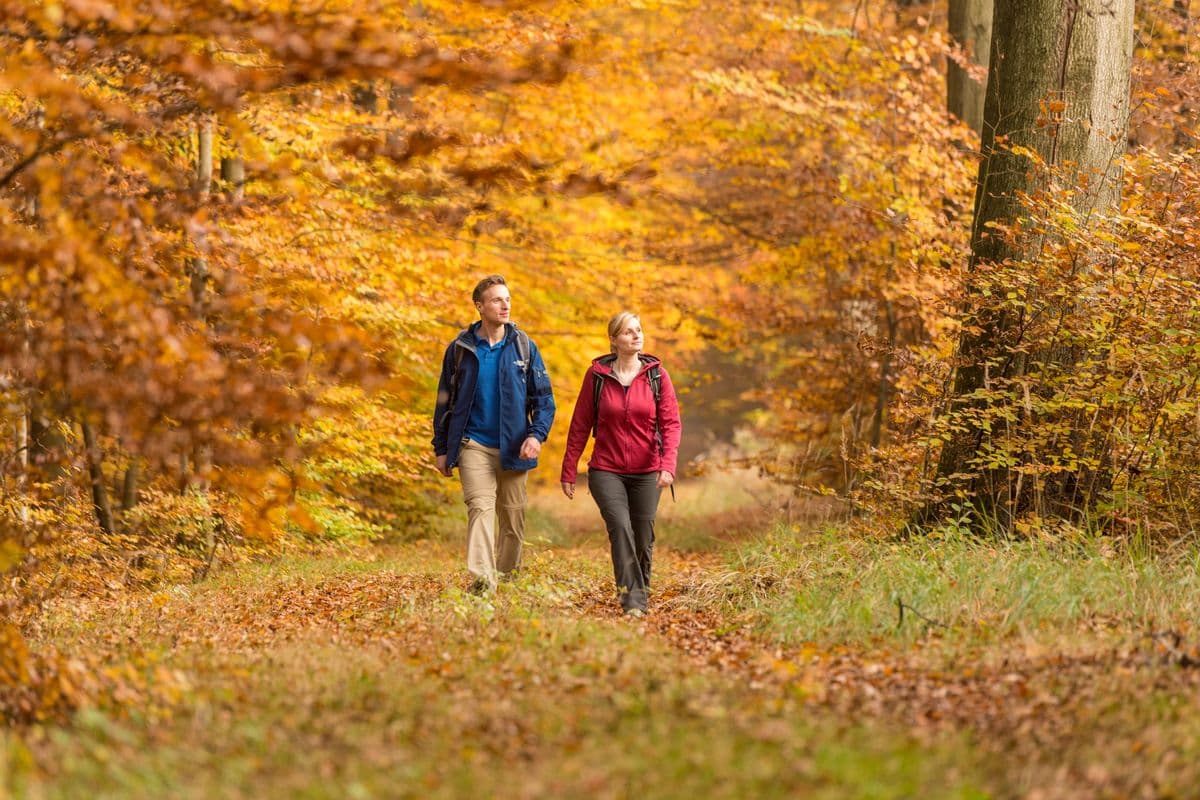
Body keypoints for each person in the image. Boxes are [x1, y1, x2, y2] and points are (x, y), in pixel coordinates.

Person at [432, 274, 555, 593]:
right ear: (480, 306)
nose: (505, 305)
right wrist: (441, 447)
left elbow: (544, 400)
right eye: (497, 299)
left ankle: (506, 577)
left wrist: (535, 436)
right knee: (480, 509)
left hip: (515, 447)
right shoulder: (460, 349)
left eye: (508, 299)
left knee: (512, 523)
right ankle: (484, 581)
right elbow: (444, 398)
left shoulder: (524, 347)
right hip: (473, 445)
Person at [560, 312, 681, 618]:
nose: (636, 336)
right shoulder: (597, 377)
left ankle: (640, 590)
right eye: (628, 332)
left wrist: (667, 465)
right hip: (606, 470)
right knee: (620, 528)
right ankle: (633, 602)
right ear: (613, 340)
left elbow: (671, 424)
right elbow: (579, 425)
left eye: (638, 330)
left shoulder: (657, 377)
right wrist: (569, 469)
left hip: (648, 471)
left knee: (643, 536)